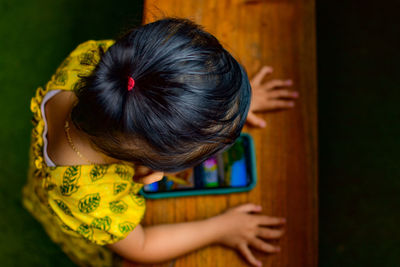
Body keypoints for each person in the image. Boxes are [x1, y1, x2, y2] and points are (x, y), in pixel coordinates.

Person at [22, 18, 298, 267]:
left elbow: (158, 96)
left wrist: (221, 108)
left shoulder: (108, 66)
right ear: (150, 171)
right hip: (81, 217)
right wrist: (221, 228)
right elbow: (141, 246)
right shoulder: (89, 201)